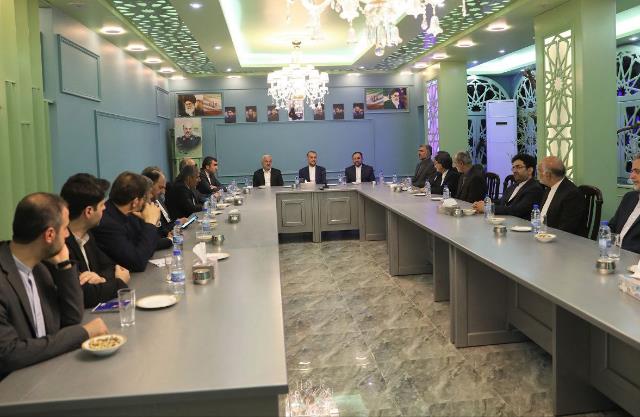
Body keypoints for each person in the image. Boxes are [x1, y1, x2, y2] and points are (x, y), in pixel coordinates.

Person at [0, 193, 108, 377]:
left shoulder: (40, 267)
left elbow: (71, 317)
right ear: (50, 234)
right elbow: (8, 354)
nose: (67, 234)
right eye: (65, 228)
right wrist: (83, 333)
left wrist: (64, 265)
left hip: (48, 372)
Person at [60, 174, 131, 308]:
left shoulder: (88, 235)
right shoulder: (61, 245)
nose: (105, 208)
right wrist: (119, 282)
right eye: (102, 204)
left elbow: (111, 267)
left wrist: (100, 278)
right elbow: (84, 294)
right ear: (89, 211)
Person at [92, 172, 160, 272]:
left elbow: (148, 249)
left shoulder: (128, 213)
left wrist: (147, 222)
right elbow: (138, 263)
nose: (145, 202)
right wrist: (150, 223)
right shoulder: (107, 224)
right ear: (135, 202)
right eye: (143, 199)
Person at [473, 154, 543, 220]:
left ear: (530, 170)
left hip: (521, 225)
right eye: (513, 167)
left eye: (518, 167)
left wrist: (488, 208)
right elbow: (502, 202)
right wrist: (484, 203)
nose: (514, 171)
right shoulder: (513, 186)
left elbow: (518, 210)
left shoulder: (534, 188)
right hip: (506, 221)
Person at [535, 156, 586, 234]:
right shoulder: (549, 188)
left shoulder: (572, 194)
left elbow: (566, 228)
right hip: (542, 233)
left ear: (548, 175)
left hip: (561, 238)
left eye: (539, 171)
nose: (538, 174)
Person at [142, 167, 184, 250]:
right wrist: (170, 239)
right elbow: (148, 242)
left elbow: (161, 227)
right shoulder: (142, 208)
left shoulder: (157, 200)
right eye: (160, 187)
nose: (164, 192)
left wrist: (168, 233)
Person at [610, 155, 640, 253]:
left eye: (637, 172)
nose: (631, 176)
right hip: (612, 254)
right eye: (632, 171)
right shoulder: (629, 197)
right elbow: (612, 226)